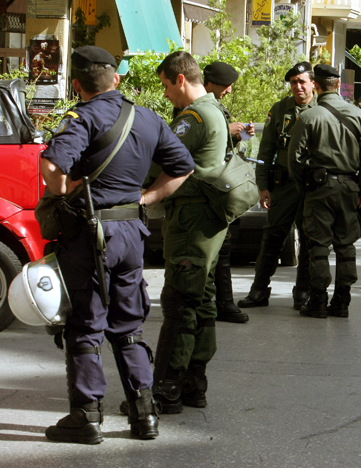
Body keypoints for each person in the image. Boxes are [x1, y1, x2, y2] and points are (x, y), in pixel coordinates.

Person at [41, 46, 195, 444]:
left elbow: (53, 165)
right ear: (118, 79)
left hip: (91, 235)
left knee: (86, 325)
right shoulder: (146, 117)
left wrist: (60, 197)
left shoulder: (83, 117)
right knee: (128, 325)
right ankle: (144, 414)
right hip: (132, 234)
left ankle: (87, 416)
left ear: (77, 84)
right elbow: (183, 167)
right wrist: (146, 199)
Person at [152, 51, 230, 414]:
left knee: (180, 302)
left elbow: (165, 159)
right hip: (208, 225)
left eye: (167, 86)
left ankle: (167, 386)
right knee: (202, 300)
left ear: (180, 79)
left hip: (190, 224)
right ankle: (193, 383)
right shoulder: (215, 112)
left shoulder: (193, 117)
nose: (166, 93)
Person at [288, 64, 361, 318]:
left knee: (317, 245)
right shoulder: (359, 116)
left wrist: (304, 186)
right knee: (346, 245)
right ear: (338, 85)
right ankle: (342, 302)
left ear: (315, 85)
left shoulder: (308, 117)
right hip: (350, 188)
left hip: (319, 189)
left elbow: (294, 159)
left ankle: (317, 301)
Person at [237, 62, 316, 310]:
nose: (298, 86)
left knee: (309, 239)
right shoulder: (280, 109)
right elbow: (266, 149)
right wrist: (263, 186)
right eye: (293, 82)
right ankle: (259, 291)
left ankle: (303, 291)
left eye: (302, 81)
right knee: (272, 238)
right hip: (283, 186)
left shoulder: (323, 108)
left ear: (313, 83)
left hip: (312, 186)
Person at [202, 61, 253, 324]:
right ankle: (217, 304)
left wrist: (237, 135)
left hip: (219, 189)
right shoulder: (197, 108)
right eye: (226, 85)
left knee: (223, 248)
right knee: (211, 251)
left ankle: (223, 303)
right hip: (206, 191)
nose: (230, 91)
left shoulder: (214, 106)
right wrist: (227, 130)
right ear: (212, 83)